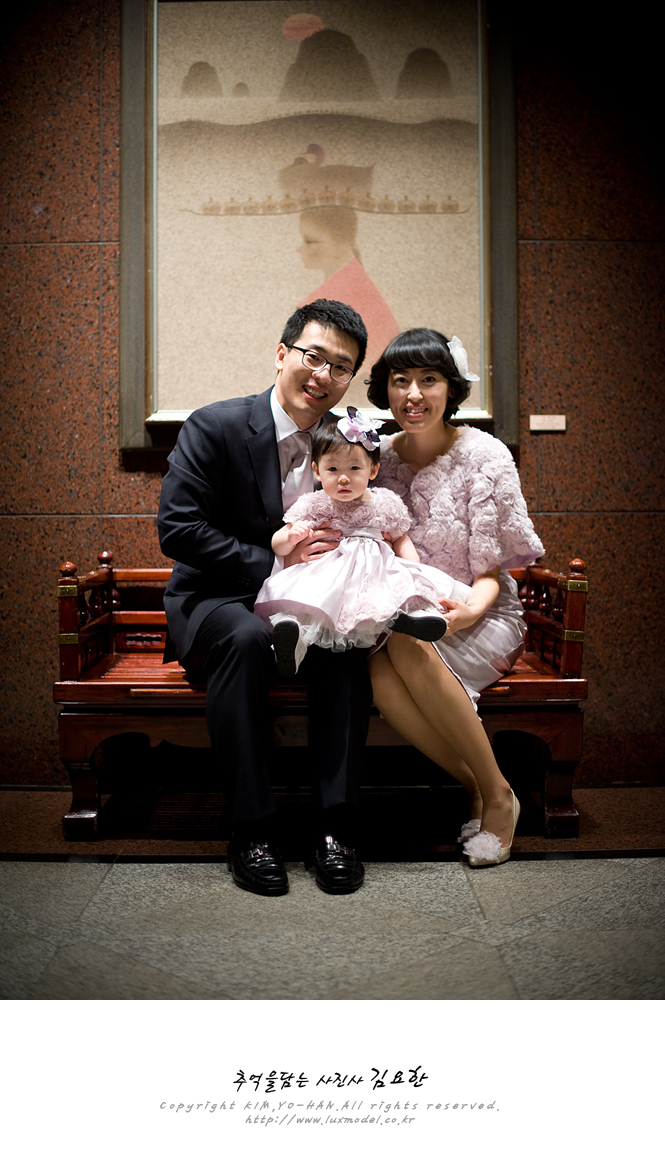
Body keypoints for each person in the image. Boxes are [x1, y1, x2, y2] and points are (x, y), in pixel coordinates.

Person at [157, 299, 372, 898]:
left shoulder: (345, 441)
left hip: (311, 602)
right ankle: (251, 831)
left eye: (341, 367)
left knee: (345, 645)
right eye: (314, 356)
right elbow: (178, 529)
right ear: (282, 354)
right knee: (248, 639)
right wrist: (274, 562)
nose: (323, 375)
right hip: (219, 599)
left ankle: (335, 828)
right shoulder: (215, 426)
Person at [366, 329, 544, 867]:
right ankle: (487, 787)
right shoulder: (375, 459)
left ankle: (495, 799)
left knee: (404, 645)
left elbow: (492, 572)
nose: (413, 394)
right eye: (400, 380)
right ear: (385, 389)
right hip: (407, 617)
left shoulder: (485, 456)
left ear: (450, 388)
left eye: (429, 379)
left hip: (484, 611)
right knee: (377, 667)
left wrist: (469, 612)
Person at [254, 410, 472, 675]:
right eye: (333, 469)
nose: (343, 478)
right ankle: (292, 637)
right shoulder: (316, 503)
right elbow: (278, 543)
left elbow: (400, 537)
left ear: (373, 469)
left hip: (374, 575)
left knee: (400, 591)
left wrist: (413, 566)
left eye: (354, 468)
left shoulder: (384, 501)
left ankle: (415, 620)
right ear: (317, 471)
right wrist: (290, 536)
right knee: (309, 600)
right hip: (327, 575)